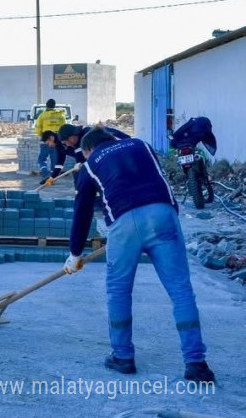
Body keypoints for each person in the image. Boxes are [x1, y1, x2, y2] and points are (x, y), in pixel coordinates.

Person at [64, 128, 215, 383]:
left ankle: (123, 357)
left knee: (119, 291)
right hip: (163, 214)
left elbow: (83, 210)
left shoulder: (90, 165)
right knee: (181, 290)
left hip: (124, 224)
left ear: (88, 149)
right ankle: (196, 363)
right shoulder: (142, 145)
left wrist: (75, 253)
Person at [41, 124, 131, 186]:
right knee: (80, 173)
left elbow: (80, 155)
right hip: (107, 156)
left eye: (48, 143)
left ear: (72, 137)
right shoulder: (65, 144)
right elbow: (60, 163)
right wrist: (52, 177)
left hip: (122, 151)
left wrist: (79, 164)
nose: (67, 145)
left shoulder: (87, 135)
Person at [34, 99, 67, 183]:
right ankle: (53, 178)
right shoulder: (61, 115)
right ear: (54, 105)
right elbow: (64, 128)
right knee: (55, 160)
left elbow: (37, 128)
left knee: (42, 159)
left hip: (45, 139)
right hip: (57, 140)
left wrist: (40, 135)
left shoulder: (42, 115)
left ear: (46, 105)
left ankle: (45, 175)